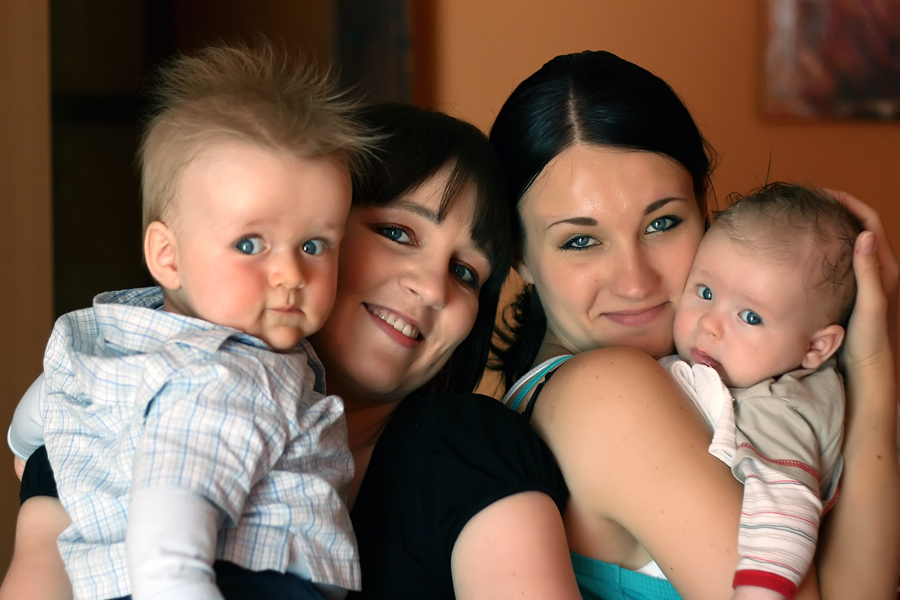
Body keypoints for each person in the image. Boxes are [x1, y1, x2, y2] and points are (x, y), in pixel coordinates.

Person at [0, 101, 582, 600]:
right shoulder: (111, 427)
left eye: (465, 272)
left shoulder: (468, 450)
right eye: (397, 233)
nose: (433, 288)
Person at [490, 50, 900, 599]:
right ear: (517, 253)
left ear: (704, 206)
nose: (635, 282)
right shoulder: (609, 392)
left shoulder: (703, 377)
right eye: (580, 240)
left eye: (662, 223)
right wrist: (872, 362)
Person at [7, 45, 370, 600]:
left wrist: (26, 448)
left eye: (314, 244)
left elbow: (49, 400)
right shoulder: (225, 377)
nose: (291, 274)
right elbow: (169, 548)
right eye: (250, 244)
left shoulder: (117, 335)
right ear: (168, 256)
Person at [664, 182, 863, 599]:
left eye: (750, 317)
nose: (710, 324)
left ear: (816, 348)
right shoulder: (741, 371)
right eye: (705, 292)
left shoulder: (777, 410)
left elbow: (785, 512)